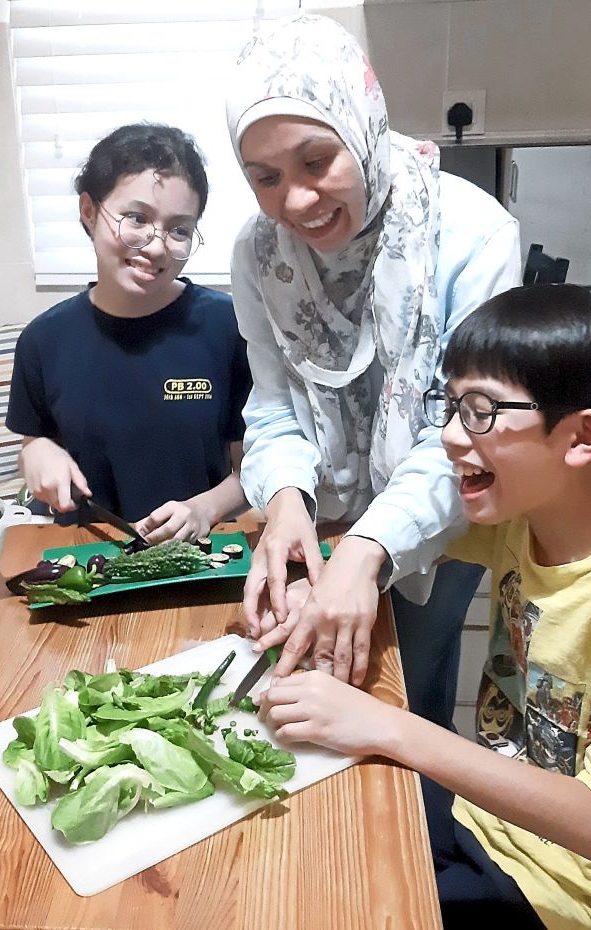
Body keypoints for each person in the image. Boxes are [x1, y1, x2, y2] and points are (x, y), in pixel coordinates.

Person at [259, 283, 591, 930]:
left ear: (582, 437)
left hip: (568, 898)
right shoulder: (527, 512)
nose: (450, 436)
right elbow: (408, 540)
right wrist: (330, 580)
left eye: (479, 411)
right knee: (306, 843)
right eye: (447, 407)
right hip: (485, 826)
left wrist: (388, 725)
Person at [225, 14, 521, 729]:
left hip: (433, 526)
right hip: (318, 519)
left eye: (317, 161)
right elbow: (272, 407)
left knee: (404, 705)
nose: (294, 201)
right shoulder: (260, 254)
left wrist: (368, 548)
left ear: (361, 126)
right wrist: (287, 499)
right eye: (265, 177)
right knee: (307, 715)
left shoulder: (472, 238)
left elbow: (470, 433)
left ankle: (433, 837)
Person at [7, 124, 250, 542]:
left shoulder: (228, 327)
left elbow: (253, 469)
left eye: (179, 230)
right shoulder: (43, 341)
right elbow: (34, 446)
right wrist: (35, 454)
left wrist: (202, 509)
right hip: (88, 566)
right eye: (136, 218)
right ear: (88, 211)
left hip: (201, 561)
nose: (156, 247)